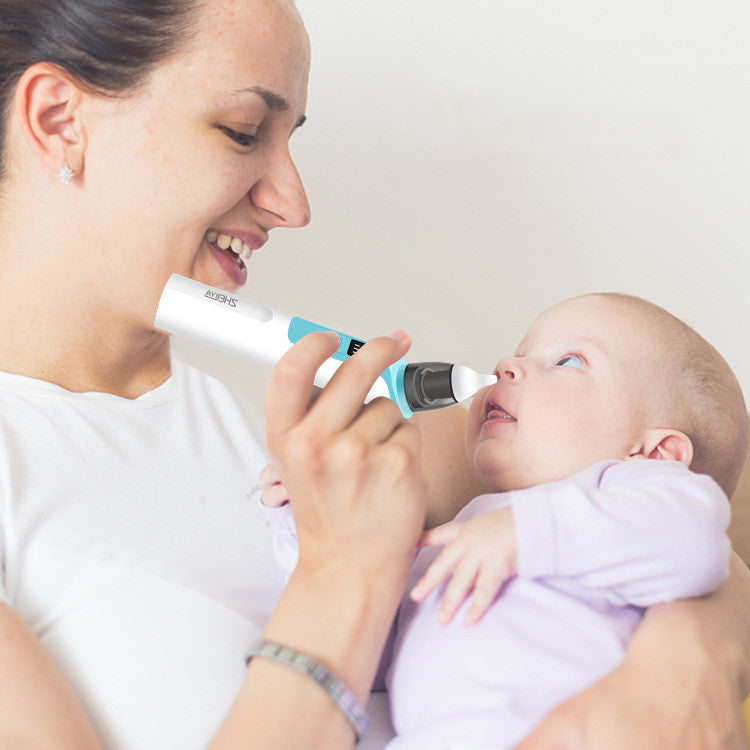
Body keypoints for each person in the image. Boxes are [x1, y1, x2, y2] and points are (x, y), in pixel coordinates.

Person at [0, 1, 748, 749]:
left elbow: (681, 519)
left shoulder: (333, 443)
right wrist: (342, 573)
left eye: (289, 141)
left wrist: (686, 660)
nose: (293, 204)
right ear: (60, 118)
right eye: (241, 131)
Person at [261, 292, 747, 749]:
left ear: (657, 453)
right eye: (519, 352)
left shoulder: (629, 493)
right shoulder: (465, 527)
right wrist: (308, 516)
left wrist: (525, 532)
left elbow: (695, 542)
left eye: (568, 361)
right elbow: (369, 647)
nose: (505, 367)